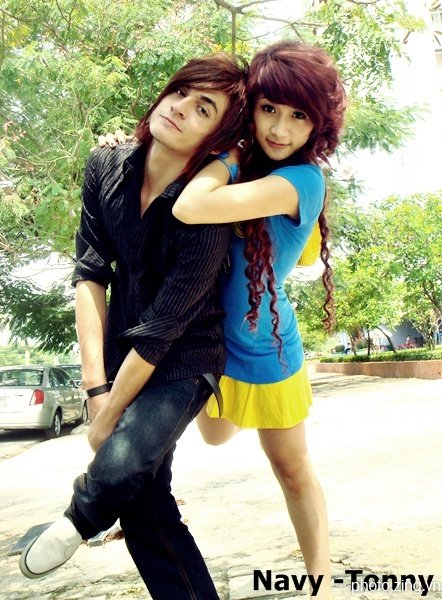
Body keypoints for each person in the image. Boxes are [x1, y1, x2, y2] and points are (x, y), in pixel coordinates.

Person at [19, 52, 247, 599]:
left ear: (217, 138)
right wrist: (96, 391)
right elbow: (90, 275)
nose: (181, 108)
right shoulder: (106, 165)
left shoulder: (208, 210)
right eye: (181, 92)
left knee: (123, 462)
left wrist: (109, 419)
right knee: (147, 508)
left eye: (204, 108)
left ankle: (80, 516)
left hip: (186, 355)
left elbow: (164, 327)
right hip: (124, 350)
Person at [172, 40, 346, 600]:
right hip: (211, 346)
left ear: (318, 125)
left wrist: (227, 156)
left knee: (291, 469)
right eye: (269, 108)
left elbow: (191, 206)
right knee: (215, 438)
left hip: (269, 350)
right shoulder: (242, 166)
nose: (279, 128)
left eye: (299, 116)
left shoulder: (303, 182)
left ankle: (321, 585)